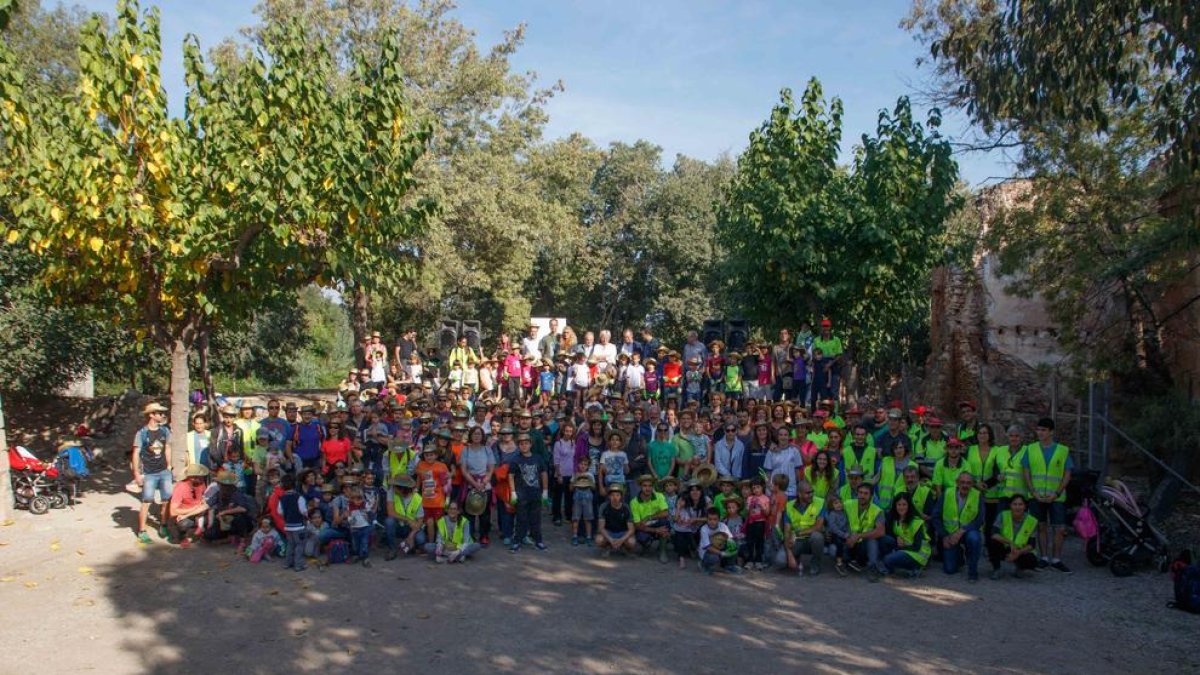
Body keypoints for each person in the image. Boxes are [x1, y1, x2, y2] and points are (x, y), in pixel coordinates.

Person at [1022, 417, 1072, 573]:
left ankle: (1056, 559)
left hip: (1056, 496)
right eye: (1038, 429)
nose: (1040, 432)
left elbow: (1067, 474)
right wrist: (1033, 492)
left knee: (1059, 528)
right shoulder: (1030, 449)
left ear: (1051, 432)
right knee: (1041, 526)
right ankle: (1043, 558)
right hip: (1036, 496)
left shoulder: (1063, 450)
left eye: (1043, 430)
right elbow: (1026, 473)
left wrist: (1057, 493)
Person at [131, 402, 173, 544]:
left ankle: (163, 525)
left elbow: (167, 447)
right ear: (151, 415)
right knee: (147, 501)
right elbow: (136, 453)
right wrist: (137, 473)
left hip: (164, 471)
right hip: (149, 472)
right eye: (159, 413)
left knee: (166, 500)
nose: (162, 415)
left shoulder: (165, 431)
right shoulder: (141, 433)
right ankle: (142, 531)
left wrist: (169, 465)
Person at [938, 472, 985, 582]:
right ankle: (959, 554)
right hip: (950, 534)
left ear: (973, 484)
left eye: (969, 483)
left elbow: (979, 520)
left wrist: (961, 531)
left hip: (968, 532)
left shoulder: (978, 495)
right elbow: (936, 516)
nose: (965, 485)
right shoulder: (947, 493)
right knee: (949, 569)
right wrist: (944, 536)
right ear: (957, 483)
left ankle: (973, 572)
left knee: (974, 538)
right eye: (962, 482)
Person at [507, 433, 549, 553]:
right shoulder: (515, 460)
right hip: (521, 495)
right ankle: (517, 541)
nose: (524, 446)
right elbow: (511, 476)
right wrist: (513, 492)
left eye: (526, 443)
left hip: (535, 493)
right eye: (521, 444)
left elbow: (543, 474)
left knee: (536, 519)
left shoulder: (537, 458)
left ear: (530, 444)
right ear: (518, 445)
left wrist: (545, 491)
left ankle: (538, 540)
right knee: (521, 519)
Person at [988, 493, 1040, 579]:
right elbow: (994, 534)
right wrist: (1010, 543)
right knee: (992, 543)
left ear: (1025, 506)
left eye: (1020, 504)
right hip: (1005, 546)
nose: (1017, 507)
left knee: (1032, 560)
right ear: (1010, 505)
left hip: (1020, 550)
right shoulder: (1003, 515)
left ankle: (1020, 569)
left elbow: (1031, 545)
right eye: (1014, 504)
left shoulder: (1032, 521)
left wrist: (1018, 553)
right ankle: (996, 569)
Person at [880, 493, 931, 578]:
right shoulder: (896, 519)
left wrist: (897, 549)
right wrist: (896, 538)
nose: (901, 507)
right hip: (905, 549)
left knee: (887, 559)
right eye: (899, 505)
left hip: (918, 554)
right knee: (885, 539)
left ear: (909, 506)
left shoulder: (916, 522)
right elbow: (890, 533)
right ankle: (899, 569)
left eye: (904, 504)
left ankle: (914, 568)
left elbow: (916, 547)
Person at [781, 480, 826, 576]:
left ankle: (815, 563)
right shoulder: (789, 506)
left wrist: (797, 533)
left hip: (810, 540)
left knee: (817, 536)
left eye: (812, 491)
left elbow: (818, 527)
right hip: (796, 541)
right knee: (779, 560)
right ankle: (794, 557)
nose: (811, 495)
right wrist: (789, 554)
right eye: (807, 493)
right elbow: (786, 533)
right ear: (799, 494)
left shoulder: (820, 502)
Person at [845, 482, 886, 581]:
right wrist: (846, 535)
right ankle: (850, 562)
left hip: (863, 543)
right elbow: (835, 517)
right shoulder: (847, 504)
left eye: (865, 493)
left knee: (872, 540)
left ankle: (872, 567)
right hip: (848, 540)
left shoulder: (877, 510)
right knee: (833, 549)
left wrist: (858, 536)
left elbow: (880, 532)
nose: (862, 496)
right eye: (860, 492)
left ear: (871, 496)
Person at [630, 475, 671, 563]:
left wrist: (649, 517)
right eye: (645, 486)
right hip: (644, 526)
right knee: (641, 537)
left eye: (650, 486)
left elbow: (666, 512)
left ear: (652, 486)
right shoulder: (634, 502)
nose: (648, 488)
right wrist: (655, 530)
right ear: (640, 486)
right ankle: (646, 546)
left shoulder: (659, 496)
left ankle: (662, 551)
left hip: (655, 522)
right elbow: (637, 525)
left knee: (665, 523)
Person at [168, 463, 210, 547]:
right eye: (200, 477)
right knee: (184, 524)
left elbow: (204, 498)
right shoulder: (181, 487)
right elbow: (173, 511)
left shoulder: (201, 484)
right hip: (185, 516)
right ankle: (185, 535)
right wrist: (194, 510)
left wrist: (201, 506)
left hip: (198, 513)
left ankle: (196, 532)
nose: (202, 478)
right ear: (192, 477)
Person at [384, 475, 426, 559]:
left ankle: (411, 544)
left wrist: (411, 535)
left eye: (395, 486)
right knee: (389, 521)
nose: (393, 488)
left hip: (412, 527)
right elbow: (391, 513)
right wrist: (408, 520)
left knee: (421, 539)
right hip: (399, 525)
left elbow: (420, 521)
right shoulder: (391, 491)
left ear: (402, 489)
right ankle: (392, 549)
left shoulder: (417, 498)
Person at [672, 480, 708, 568]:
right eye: (692, 490)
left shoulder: (706, 500)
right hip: (685, 530)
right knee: (680, 532)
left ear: (701, 491)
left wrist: (696, 519)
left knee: (704, 529)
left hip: (697, 529)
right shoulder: (684, 501)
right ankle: (682, 558)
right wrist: (679, 507)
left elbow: (712, 517)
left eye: (697, 490)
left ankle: (695, 550)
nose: (695, 492)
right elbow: (675, 519)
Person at [595, 483, 636, 556]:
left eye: (617, 495)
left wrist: (621, 540)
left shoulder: (626, 508)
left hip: (622, 532)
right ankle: (607, 547)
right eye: (612, 495)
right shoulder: (604, 507)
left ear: (621, 496)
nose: (615, 498)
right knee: (599, 540)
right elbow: (601, 528)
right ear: (609, 496)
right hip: (609, 532)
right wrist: (610, 539)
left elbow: (631, 529)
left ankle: (623, 547)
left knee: (632, 542)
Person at [698, 507, 741, 575]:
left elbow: (730, 538)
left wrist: (732, 546)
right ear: (706, 519)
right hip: (707, 552)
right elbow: (708, 547)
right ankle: (704, 565)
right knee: (713, 558)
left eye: (715, 519)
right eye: (710, 519)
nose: (712, 521)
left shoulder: (723, 526)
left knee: (735, 545)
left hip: (720, 548)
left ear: (719, 519)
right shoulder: (704, 529)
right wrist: (722, 553)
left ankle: (728, 565)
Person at [570, 473, 596, 546]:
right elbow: (570, 488)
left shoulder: (590, 475)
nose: (583, 466)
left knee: (588, 519)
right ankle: (574, 536)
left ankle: (588, 537)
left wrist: (590, 481)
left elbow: (594, 488)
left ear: (588, 466)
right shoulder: (574, 474)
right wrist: (575, 478)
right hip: (577, 497)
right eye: (581, 464)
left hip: (588, 497)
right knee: (575, 518)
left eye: (585, 464)